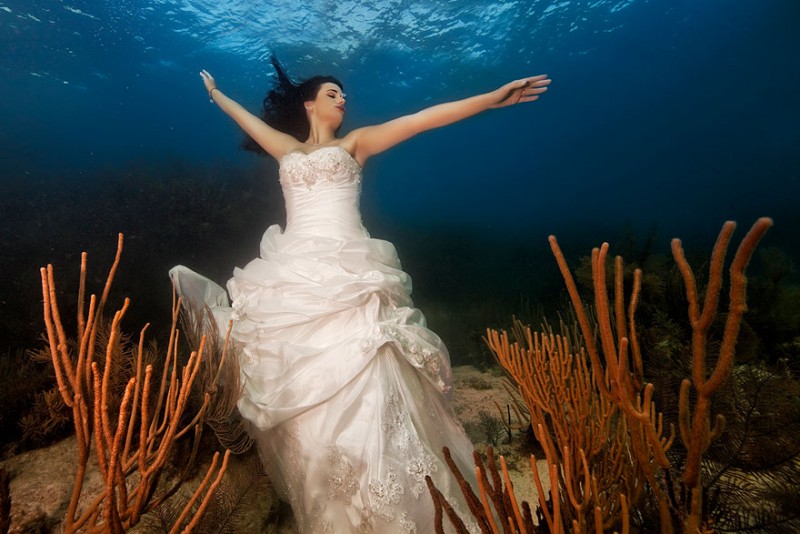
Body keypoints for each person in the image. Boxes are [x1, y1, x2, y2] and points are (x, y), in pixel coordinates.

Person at [170, 56, 550, 533]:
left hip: (353, 277)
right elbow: (243, 117)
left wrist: (492, 99)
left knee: (373, 381)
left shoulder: (356, 143)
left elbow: (420, 120)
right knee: (309, 398)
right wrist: (217, 95)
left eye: (343, 94)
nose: (343, 99)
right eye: (332, 93)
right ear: (309, 104)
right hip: (296, 277)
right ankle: (338, 508)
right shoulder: (286, 148)